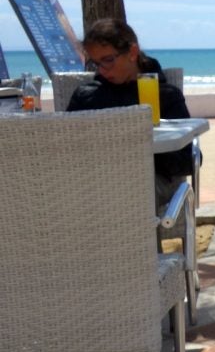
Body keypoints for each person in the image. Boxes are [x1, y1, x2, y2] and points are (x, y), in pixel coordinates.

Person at [67, 18, 192, 209]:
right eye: (96, 63)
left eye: (108, 60)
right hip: (95, 181)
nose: (102, 70)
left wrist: (143, 145)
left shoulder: (165, 95)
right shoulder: (87, 96)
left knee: (126, 194)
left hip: (148, 181)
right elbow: (67, 151)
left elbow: (188, 161)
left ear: (132, 53)